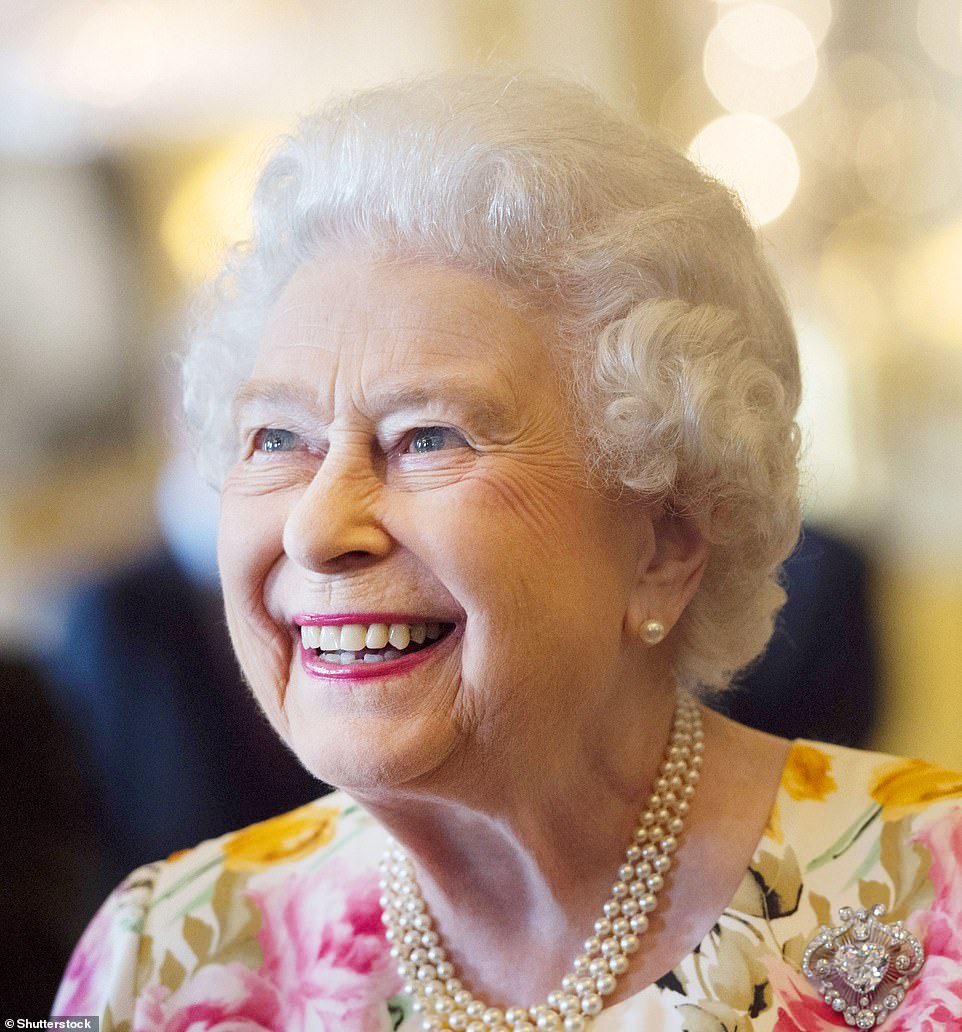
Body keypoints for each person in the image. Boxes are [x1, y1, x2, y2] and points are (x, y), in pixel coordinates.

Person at [53, 74, 962, 1031]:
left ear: (667, 541)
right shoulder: (162, 963)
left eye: (428, 438)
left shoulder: (931, 898)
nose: (316, 530)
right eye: (278, 439)